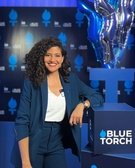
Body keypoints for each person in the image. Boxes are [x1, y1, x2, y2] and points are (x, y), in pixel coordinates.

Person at [12, 36, 104, 168]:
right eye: (48, 55)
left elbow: (97, 96)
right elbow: (22, 121)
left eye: (57, 55)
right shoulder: (31, 83)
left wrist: (82, 105)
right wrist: (26, 162)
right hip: (33, 141)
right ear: (41, 58)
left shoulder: (71, 80)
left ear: (62, 59)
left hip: (56, 143)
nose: (52, 60)